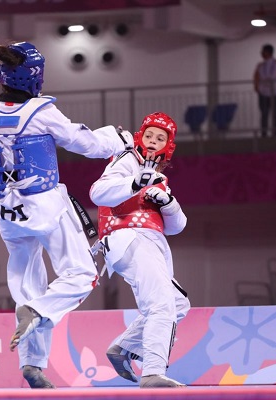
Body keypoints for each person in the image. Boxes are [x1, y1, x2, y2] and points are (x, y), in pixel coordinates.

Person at [0, 41, 133, 389]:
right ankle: (41, 310)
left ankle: (32, 364)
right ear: (35, 76)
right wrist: (118, 139)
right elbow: (87, 144)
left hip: (6, 212)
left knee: (27, 283)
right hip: (44, 206)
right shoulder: (41, 111)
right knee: (80, 274)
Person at [89, 112, 191, 388]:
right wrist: (136, 183)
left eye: (161, 138)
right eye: (149, 136)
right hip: (129, 237)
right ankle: (153, 373)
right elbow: (98, 192)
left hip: (152, 242)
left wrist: (168, 203)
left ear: (168, 146)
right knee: (160, 304)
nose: (154, 142)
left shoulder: (158, 177)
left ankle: (123, 348)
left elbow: (177, 226)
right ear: (139, 137)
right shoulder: (128, 160)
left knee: (178, 303)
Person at [253, 44, 276, 137]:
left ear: (268, 52)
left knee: (275, 113)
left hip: (275, 92)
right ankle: (264, 133)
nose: (261, 53)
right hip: (263, 93)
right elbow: (256, 77)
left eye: (263, 51)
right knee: (264, 114)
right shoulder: (260, 65)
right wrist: (257, 88)